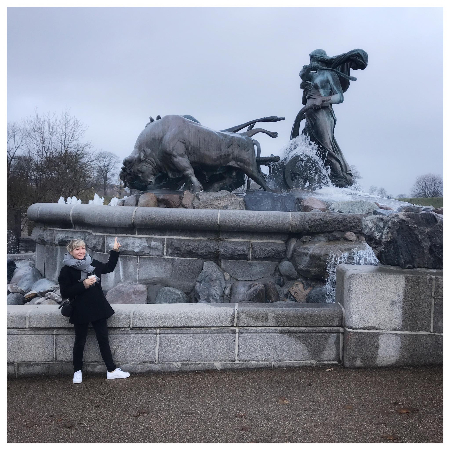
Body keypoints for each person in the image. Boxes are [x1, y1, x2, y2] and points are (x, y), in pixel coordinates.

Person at [290, 48, 368, 188]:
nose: (311, 62)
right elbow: (303, 78)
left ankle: (340, 178)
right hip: (309, 114)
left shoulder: (329, 74)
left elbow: (340, 97)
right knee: (307, 145)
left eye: (313, 59)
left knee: (326, 146)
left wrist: (323, 99)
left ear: (320, 59)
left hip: (323, 114)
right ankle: (317, 178)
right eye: (310, 59)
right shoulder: (312, 76)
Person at [58, 237, 130, 384]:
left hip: (97, 307)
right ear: (71, 251)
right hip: (80, 309)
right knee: (80, 341)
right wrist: (83, 284)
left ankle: (111, 370)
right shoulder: (66, 270)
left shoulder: (92, 263)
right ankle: (77, 371)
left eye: (83, 248)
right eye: (77, 249)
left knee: (103, 339)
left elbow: (109, 268)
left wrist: (115, 251)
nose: (81, 251)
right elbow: (65, 292)